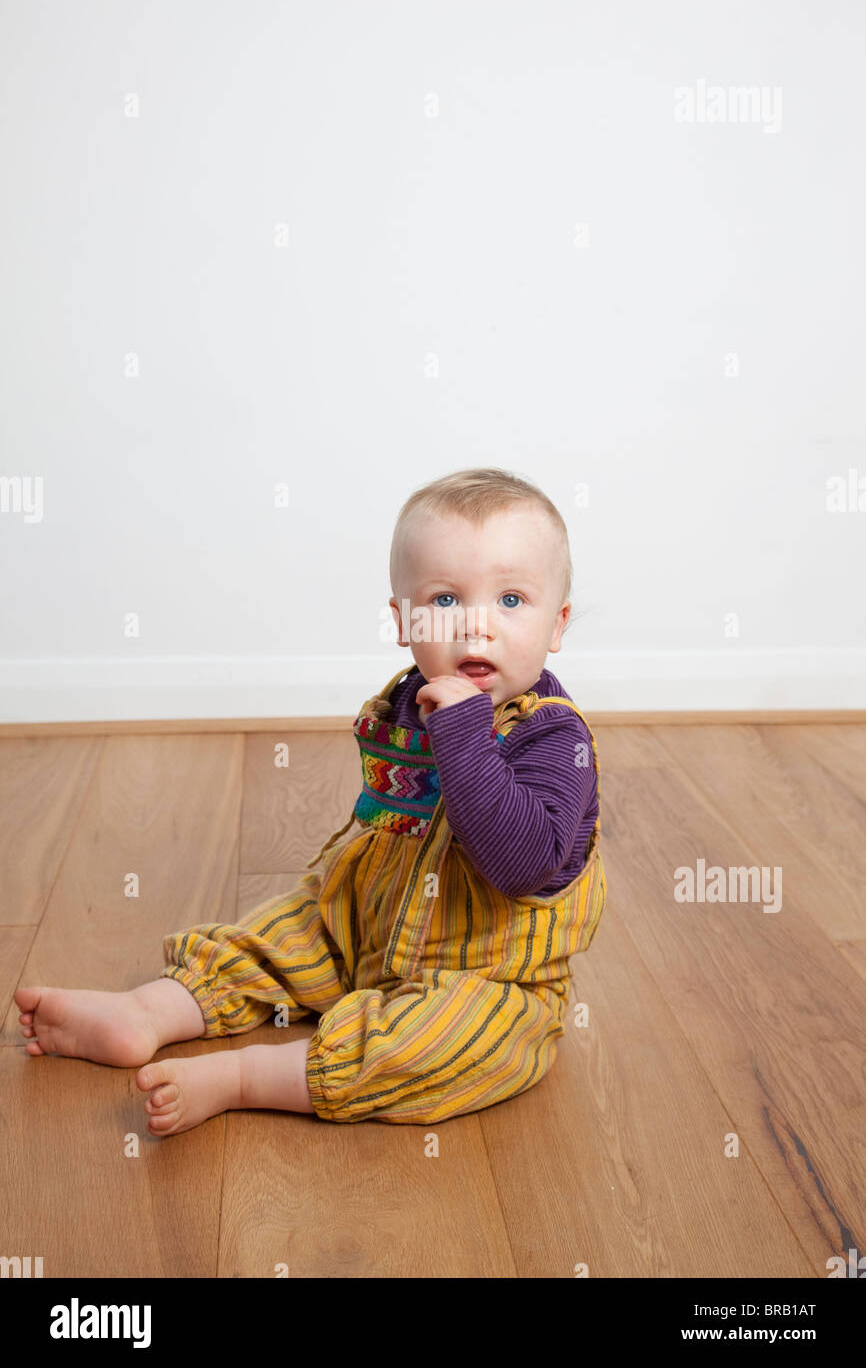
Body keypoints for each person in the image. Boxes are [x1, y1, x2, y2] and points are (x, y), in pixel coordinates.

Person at [15, 467, 606, 1133]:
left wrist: (466, 738)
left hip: (490, 976)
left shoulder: (555, 738)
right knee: (284, 932)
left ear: (557, 625)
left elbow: (523, 862)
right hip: (365, 926)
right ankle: (152, 1010)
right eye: (444, 601)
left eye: (511, 600)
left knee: (457, 1042)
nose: (477, 627)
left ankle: (248, 1076)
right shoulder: (409, 697)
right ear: (401, 619)